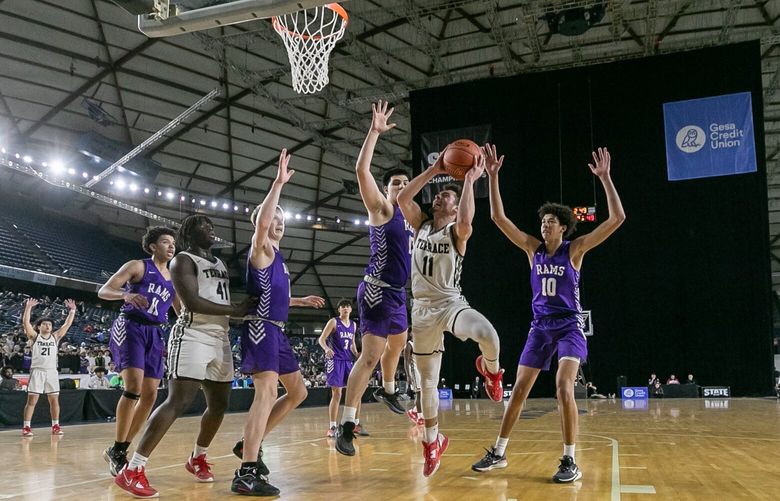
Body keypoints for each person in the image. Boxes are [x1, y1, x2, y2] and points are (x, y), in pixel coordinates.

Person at [471, 145, 625, 484]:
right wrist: (493, 177)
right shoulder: (532, 249)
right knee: (519, 390)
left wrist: (606, 178)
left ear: (563, 228)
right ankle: (498, 451)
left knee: (563, 387)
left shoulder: (576, 249)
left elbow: (617, 219)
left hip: (569, 327)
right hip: (540, 328)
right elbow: (499, 219)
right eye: (542, 221)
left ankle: (570, 459)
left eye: (551, 222)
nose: (544, 225)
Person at [114, 215, 256, 498]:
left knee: (219, 405)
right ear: (189, 234)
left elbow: (217, 298)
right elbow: (191, 302)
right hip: (193, 333)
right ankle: (133, 469)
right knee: (178, 401)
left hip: (220, 336)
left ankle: (197, 457)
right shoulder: (183, 260)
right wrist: (235, 310)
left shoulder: (220, 263)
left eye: (212, 226)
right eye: (205, 227)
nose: (212, 230)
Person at [397, 146, 505, 478]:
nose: (439, 196)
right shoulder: (420, 225)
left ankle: (492, 373)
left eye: (446, 194)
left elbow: (468, 220)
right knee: (427, 384)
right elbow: (402, 199)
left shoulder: (457, 232)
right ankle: (433, 442)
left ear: (455, 206)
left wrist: (471, 179)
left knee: (488, 334)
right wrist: (435, 170)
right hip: (422, 311)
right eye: (439, 194)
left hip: (450, 303)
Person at [231, 149, 325, 496]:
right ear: (263, 223)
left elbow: (275, 296)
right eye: (275, 218)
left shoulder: (279, 257)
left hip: (276, 330)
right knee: (267, 393)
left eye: (283, 220)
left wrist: (297, 301)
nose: (279, 223)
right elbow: (261, 224)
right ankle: (246, 470)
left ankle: (248, 445)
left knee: (298, 392)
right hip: (260, 328)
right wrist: (278, 184)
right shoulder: (261, 249)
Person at [335, 101, 414, 456]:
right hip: (376, 292)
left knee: (400, 342)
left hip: (398, 294)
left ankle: (387, 388)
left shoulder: (413, 221)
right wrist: (374, 132)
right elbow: (360, 170)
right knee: (369, 356)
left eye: (405, 182)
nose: (401, 186)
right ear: (387, 189)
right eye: (395, 182)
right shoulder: (382, 209)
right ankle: (345, 425)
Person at [99, 226, 179, 475]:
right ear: (153, 246)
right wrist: (126, 295)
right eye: (165, 242)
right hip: (131, 326)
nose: (171, 246)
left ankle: (120, 449)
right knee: (133, 386)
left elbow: (182, 312)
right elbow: (104, 290)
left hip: (155, 333)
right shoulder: (138, 266)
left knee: (151, 395)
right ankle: (119, 448)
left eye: (173, 243)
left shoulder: (175, 279)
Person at [21, 297, 77, 436]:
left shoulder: (55, 337)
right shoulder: (34, 337)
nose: (47, 326)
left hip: (52, 372)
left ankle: (56, 425)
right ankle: (26, 427)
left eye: (49, 325)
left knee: (54, 400)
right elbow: (26, 323)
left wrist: (73, 311)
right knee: (32, 400)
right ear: (39, 327)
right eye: (45, 324)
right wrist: (28, 308)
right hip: (37, 371)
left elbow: (67, 325)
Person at [318, 299, 367, 438]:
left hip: (348, 361)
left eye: (347, 307)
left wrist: (357, 354)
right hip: (335, 360)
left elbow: (351, 343)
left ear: (351, 310)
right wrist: (326, 348)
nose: (345, 309)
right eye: (342, 307)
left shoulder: (353, 325)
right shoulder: (333, 322)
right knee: (337, 394)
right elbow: (321, 339)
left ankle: (356, 424)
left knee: (356, 393)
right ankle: (332, 426)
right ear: (339, 309)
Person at [403, 331, 425, 426]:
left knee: (424, 394)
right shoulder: (409, 345)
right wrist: (408, 375)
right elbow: (406, 361)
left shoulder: (420, 343)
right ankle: (420, 417)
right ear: (410, 334)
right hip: (415, 372)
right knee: (419, 394)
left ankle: (414, 411)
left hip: (422, 371)